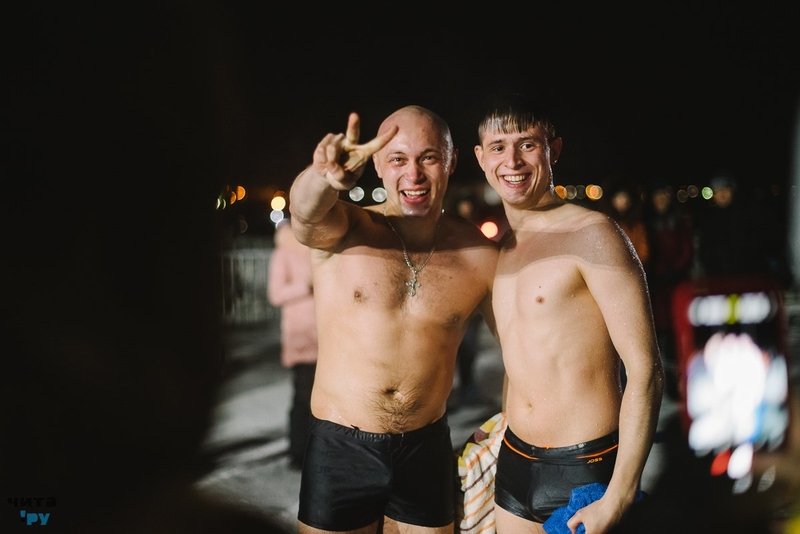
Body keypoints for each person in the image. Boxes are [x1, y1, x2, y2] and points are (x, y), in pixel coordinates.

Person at [287, 105, 498, 533]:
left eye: (428, 157)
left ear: (451, 161)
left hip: (426, 446)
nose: (413, 174)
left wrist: (513, 427)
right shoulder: (346, 230)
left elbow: (526, 345)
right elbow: (305, 214)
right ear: (378, 165)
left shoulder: (478, 255)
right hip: (341, 446)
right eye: (398, 159)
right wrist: (323, 178)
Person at [473, 93, 664, 533]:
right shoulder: (503, 250)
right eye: (499, 147)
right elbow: (522, 356)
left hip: (585, 467)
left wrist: (619, 496)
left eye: (527, 144)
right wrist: (500, 425)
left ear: (553, 150)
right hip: (514, 462)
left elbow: (647, 370)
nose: (512, 161)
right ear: (481, 158)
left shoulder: (592, 234)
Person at [267, 218, 318, 470]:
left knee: (322, 397)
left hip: (327, 333)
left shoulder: (320, 246)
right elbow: (275, 294)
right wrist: (305, 285)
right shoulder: (284, 251)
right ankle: (298, 452)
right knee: (303, 396)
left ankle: (317, 449)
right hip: (302, 335)